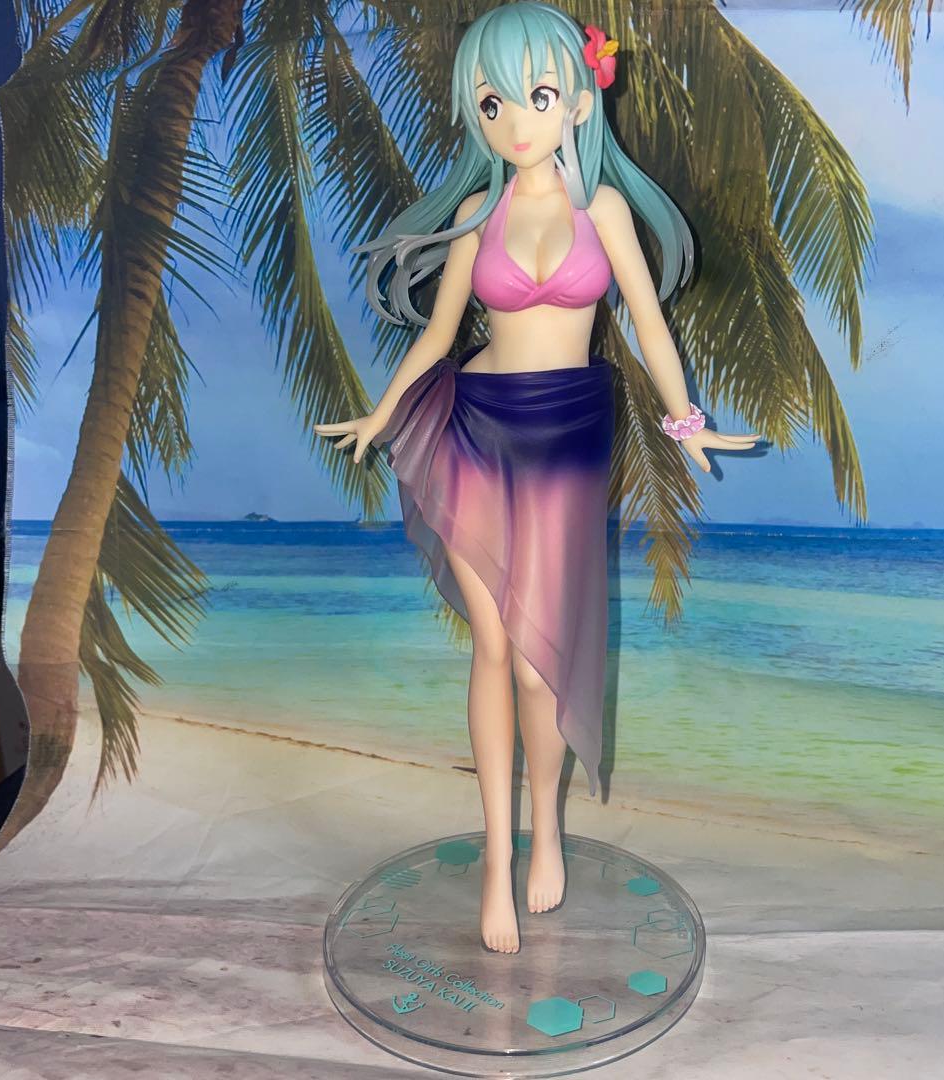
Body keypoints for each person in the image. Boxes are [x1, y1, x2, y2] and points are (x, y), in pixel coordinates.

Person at [315, 1, 758, 954]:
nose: (515, 121)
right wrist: (382, 414)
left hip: (568, 440)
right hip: (474, 428)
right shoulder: (476, 216)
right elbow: (440, 335)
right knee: (492, 647)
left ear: (579, 102)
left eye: (537, 96)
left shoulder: (604, 211)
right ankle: (495, 860)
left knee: (536, 660)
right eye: (491, 104)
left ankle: (546, 833)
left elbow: (648, 327)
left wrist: (687, 425)